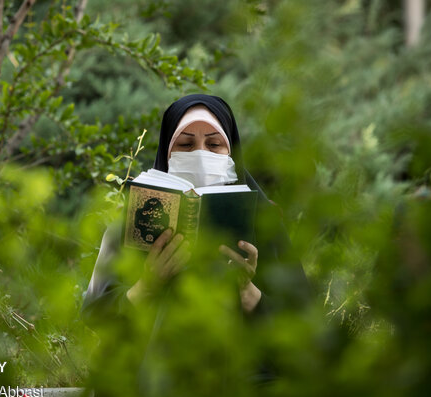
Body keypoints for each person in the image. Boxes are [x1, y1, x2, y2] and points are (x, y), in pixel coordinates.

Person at [82, 94, 310, 323]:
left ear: (231, 154)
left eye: (213, 144)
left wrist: (245, 290)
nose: (201, 155)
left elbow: (302, 322)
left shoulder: (263, 221)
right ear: (166, 153)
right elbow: (95, 316)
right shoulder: (130, 224)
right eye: (185, 144)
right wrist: (148, 285)